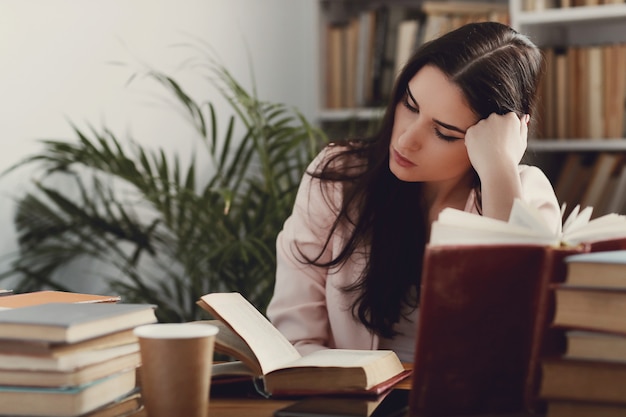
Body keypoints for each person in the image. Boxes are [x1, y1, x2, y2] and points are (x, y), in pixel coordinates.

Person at [266, 21, 562, 363]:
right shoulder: (338, 177)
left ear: (492, 139)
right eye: (410, 105)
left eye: (445, 133)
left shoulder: (522, 194)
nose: (407, 140)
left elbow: (523, 342)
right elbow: (294, 338)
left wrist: (499, 170)